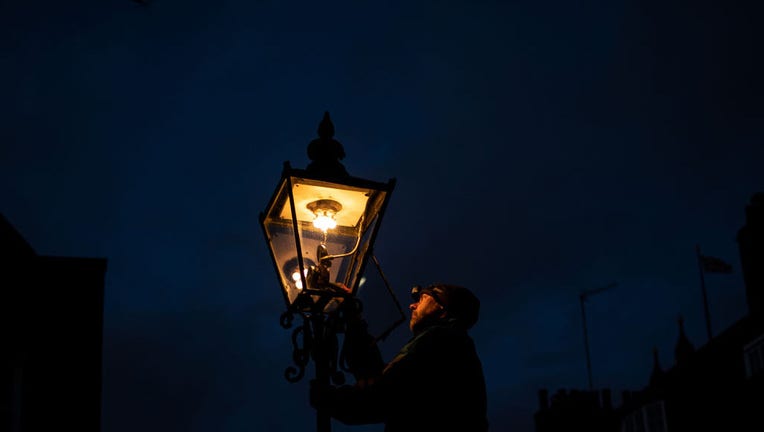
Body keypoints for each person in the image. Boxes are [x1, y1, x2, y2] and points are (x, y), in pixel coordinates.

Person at [310, 283, 489, 432]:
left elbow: (381, 395)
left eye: (421, 299)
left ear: (442, 309)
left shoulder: (441, 340)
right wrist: (353, 318)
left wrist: (326, 398)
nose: (412, 305)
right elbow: (380, 378)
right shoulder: (448, 345)